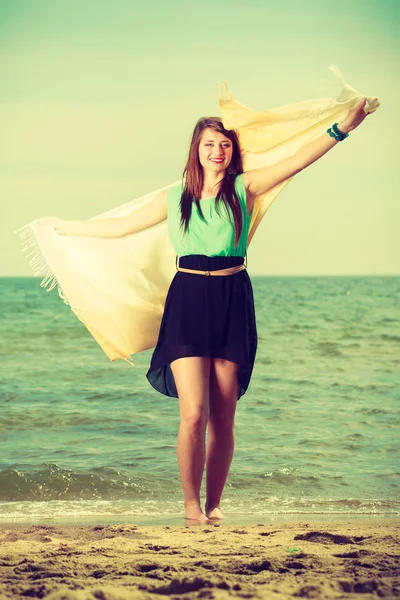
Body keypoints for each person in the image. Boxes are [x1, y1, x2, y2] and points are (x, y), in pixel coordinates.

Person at [38, 98, 372, 523]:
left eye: (225, 145)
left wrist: (346, 125)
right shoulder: (174, 196)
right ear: (196, 150)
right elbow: (120, 227)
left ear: (233, 152)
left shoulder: (244, 188)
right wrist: (65, 227)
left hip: (233, 297)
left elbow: (297, 160)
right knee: (193, 414)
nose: (218, 151)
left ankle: (214, 505)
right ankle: (191, 506)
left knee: (224, 416)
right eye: (210, 144)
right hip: (189, 300)